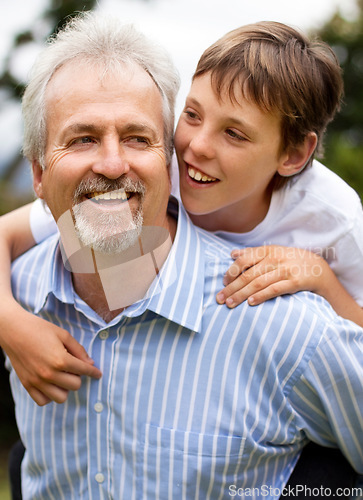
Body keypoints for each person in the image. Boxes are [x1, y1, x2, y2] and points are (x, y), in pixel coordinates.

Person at [2, 12, 362, 498]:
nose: (198, 146)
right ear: (39, 174)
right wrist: (10, 321)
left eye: (137, 137)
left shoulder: (328, 231)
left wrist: (321, 277)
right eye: (191, 116)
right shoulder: (42, 268)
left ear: (293, 155)